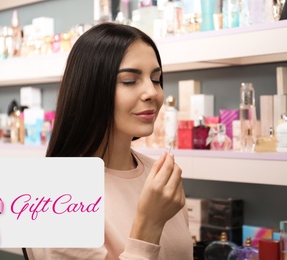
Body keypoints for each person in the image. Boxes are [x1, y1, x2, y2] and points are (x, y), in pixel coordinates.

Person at [27, 22, 193, 259]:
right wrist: (149, 224)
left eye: (156, 79)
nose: (152, 93)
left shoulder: (156, 177)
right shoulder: (54, 195)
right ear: (90, 88)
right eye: (129, 81)